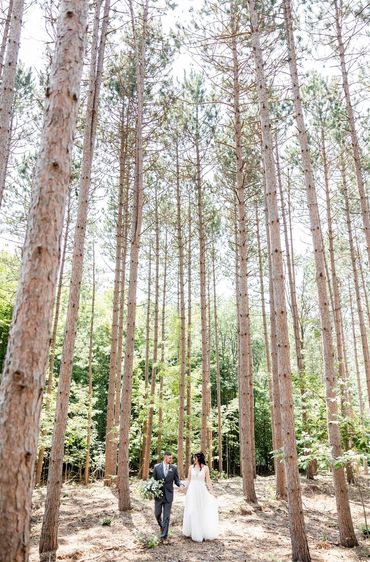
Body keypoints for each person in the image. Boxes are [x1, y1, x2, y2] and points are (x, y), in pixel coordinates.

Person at [182, 451, 219, 542]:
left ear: (198, 458)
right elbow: (188, 480)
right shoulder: (191, 467)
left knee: (201, 510)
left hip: (201, 491)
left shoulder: (205, 468)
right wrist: (183, 488)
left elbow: (208, 481)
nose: (193, 459)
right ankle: (191, 531)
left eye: (194, 457)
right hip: (192, 492)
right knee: (192, 510)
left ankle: (201, 532)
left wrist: (212, 492)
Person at [153, 451, 184, 544]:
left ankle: (164, 537)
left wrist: (180, 485)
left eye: (171, 458)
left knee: (166, 517)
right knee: (157, 514)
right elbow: (153, 481)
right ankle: (162, 526)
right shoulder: (156, 467)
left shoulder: (174, 468)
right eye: (170, 458)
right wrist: (152, 490)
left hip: (169, 496)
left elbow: (177, 480)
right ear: (165, 457)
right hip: (158, 495)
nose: (171, 459)